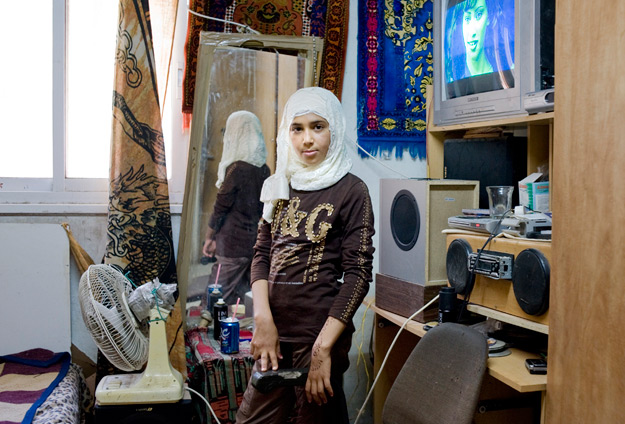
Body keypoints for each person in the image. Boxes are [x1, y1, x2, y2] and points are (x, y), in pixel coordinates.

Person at [235, 87, 375, 424]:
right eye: (297, 128)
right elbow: (261, 255)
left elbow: (358, 274)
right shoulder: (279, 184)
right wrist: (263, 321)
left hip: (318, 335)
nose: (307, 139)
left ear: (334, 129)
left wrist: (323, 348)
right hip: (274, 334)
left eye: (318, 127)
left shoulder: (352, 190)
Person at [203, 110, 270, 305]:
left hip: (231, 245)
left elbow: (220, 209)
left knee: (214, 300)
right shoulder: (264, 170)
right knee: (241, 301)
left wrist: (209, 238)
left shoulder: (236, 169)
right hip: (252, 242)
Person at [445, 0, 513, 85]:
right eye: (467, 19)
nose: (472, 32)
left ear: (488, 18)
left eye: (479, 15)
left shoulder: (505, 72)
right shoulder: (453, 77)